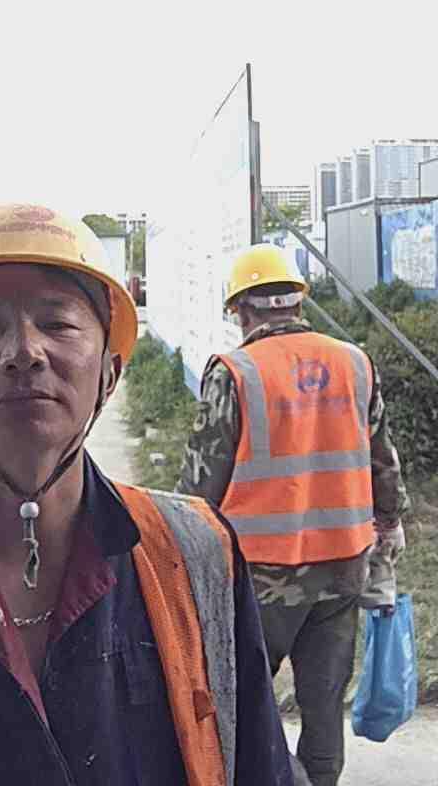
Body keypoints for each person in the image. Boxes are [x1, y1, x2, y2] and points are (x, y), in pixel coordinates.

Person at [0, 205, 294, 786]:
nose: (24, 352)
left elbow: (256, 763)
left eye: (58, 324)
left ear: (109, 373)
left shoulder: (196, 555)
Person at [176, 243, 409, 786]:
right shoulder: (354, 362)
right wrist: (390, 521)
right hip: (344, 565)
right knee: (323, 701)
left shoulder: (235, 371)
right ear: (298, 302)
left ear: (243, 310)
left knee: (245, 699)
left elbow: (200, 486)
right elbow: (383, 460)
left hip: (261, 576)